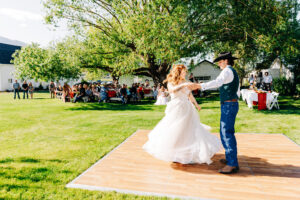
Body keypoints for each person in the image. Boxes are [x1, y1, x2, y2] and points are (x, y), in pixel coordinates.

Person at [143, 64, 222, 165]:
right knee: (175, 130)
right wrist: (183, 85)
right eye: (183, 72)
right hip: (176, 107)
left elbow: (189, 95)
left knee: (188, 130)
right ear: (178, 72)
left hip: (187, 108)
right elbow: (172, 90)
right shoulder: (171, 82)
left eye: (185, 72)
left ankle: (187, 154)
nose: (185, 74)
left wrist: (196, 104)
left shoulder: (186, 82)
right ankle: (174, 153)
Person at [199, 52, 240, 174]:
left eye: (220, 61)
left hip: (229, 105)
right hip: (230, 104)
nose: (218, 63)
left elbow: (218, 82)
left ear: (226, 60)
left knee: (226, 133)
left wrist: (200, 85)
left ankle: (232, 164)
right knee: (226, 132)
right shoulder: (230, 71)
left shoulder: (227, 71)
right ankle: (230, 159)